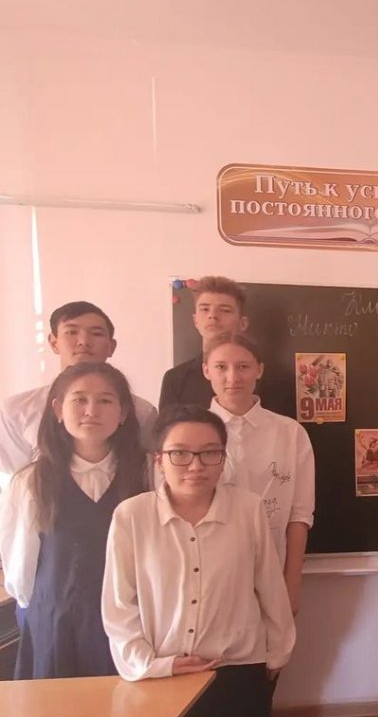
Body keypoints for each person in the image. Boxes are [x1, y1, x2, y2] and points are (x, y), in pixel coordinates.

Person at [102, 405, 296, 717]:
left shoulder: (247, 509)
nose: (196, 465)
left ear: (223, 458)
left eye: (210, 453)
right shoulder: (132, 517)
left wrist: (277, 652)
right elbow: (119, 607)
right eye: (181, 453)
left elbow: (268, 583)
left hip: (236, 663)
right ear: (158, 459)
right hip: (163, 673)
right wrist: (150, 664)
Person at [198, 331, 315, 717]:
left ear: (260, 370)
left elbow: (299, 515)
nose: (233, 377)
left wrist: (290, 584)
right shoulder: (190, 433)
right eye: (222, 366)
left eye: (243, 366)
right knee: (211, 695)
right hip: (207, 583)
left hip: (267, 582)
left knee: (258, 692)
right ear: (207, 370)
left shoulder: (289, 433)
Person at [0, 363, 148, 678]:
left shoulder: (148, 473)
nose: (91, 410)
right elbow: (20, 569)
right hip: (56, 621)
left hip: (130, 621)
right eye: (79, 399)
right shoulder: (30, 481)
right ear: (58, 409)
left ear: (123, 412)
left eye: (105, 400)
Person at [0, 301, 156, 489]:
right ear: (54, 342)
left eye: (96, 334)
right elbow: (18, 480)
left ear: (111, 346)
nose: (83, 342)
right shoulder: (17, 410)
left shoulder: (141, 411)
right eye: (71, 332)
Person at [159, 276, 249, 410]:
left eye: (225, 310)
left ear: (243, 323)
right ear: (195, 321)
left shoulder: (260, 377)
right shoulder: (176, 379)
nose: (213, 316)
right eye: (205, 309)